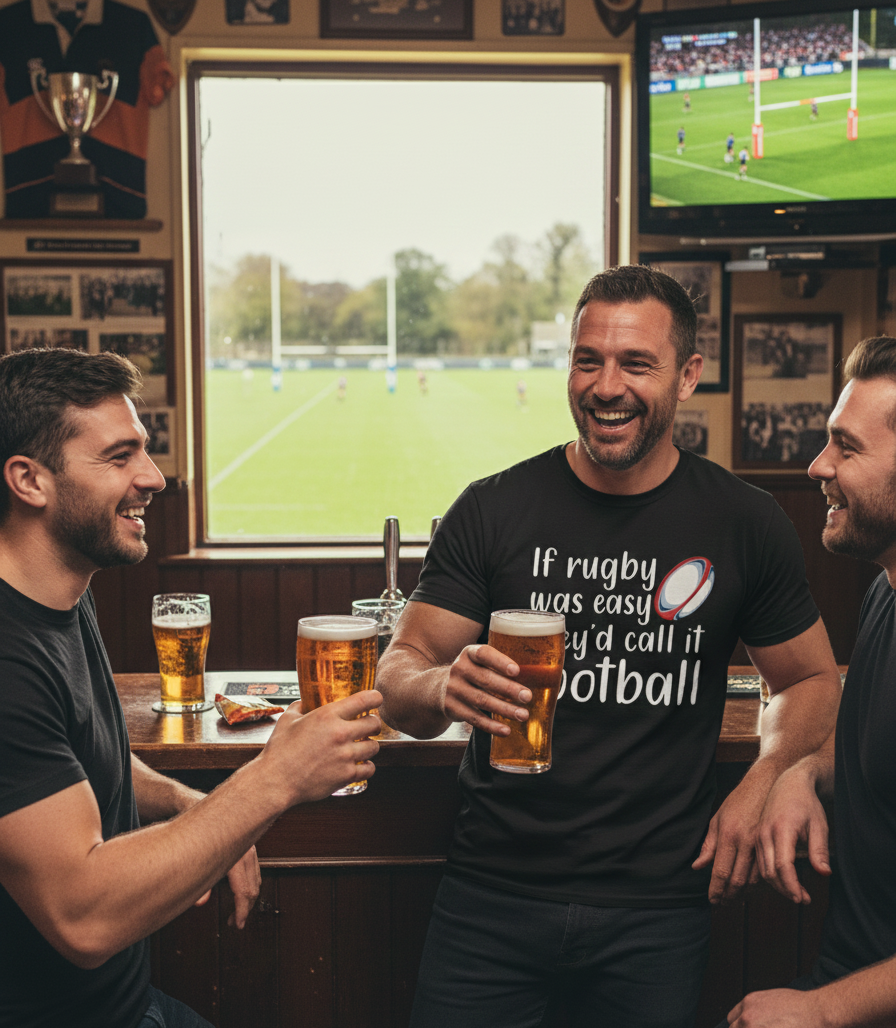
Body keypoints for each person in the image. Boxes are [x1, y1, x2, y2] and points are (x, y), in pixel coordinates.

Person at [377, 265, 842, 1028]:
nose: (605, 385)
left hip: (657, 909)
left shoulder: (743, 521)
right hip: (490, 896)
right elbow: (402, 673)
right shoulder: (493, 508)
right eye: (588, 359)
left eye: (635, 364)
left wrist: (763, 779)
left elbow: (811, 682)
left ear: (687, 375)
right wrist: (438, 689)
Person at [0, 348, 382, 1028]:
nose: (153, 478)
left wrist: (187, 803)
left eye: (143, 452)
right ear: (30, 481)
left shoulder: (62, 588)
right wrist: (273, 780)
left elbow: (88, 760)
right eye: (119, 458)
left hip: (125, 1006)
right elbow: (81, 917)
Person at [724, 335, 896, 1028]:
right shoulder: (885, 588)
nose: (818, 465)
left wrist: (821, 1012)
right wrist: (805, 773)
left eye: (846, 448)